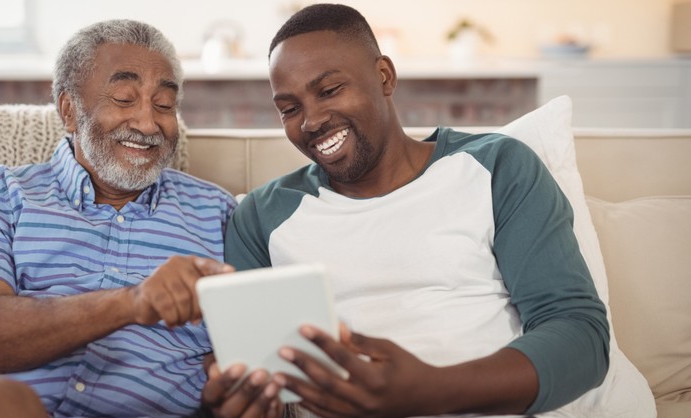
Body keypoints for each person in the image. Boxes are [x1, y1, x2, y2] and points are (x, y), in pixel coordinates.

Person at [201, 4, 652, 417]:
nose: (311, 121)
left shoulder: (496, 166)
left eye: (330, 90)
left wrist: (429, 390)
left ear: (384, 77)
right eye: (290, 108)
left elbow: (579, 336)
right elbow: (265, 379)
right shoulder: (262, 216)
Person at [0, 19, 236, 418]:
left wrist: (227, 388)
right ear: (69, 111)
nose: (147, 122)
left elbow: (236, 352)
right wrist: (131, 302)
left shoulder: (218, 213)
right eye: (124, 98)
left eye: (164, 104)